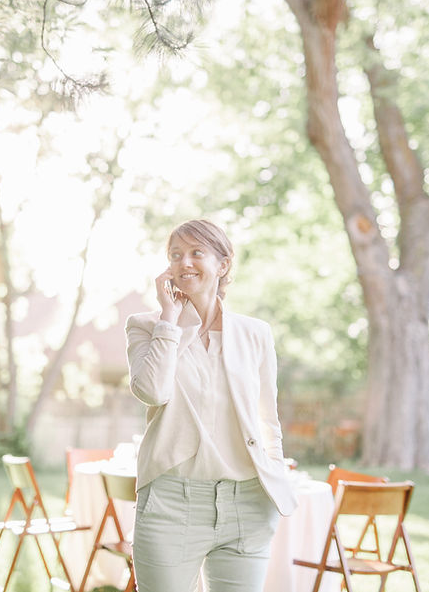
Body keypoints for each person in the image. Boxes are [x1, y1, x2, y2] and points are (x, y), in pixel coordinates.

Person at [125, 219, 297, 592]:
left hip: (247, 504)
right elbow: (152, 391)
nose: (184, 262)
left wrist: (275, 474)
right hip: (171, 503)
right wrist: (170, 319)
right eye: (175, 255)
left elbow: (268, 419)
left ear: (223, 265)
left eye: (196, 252)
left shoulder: (255, 334)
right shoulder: (146, 327)